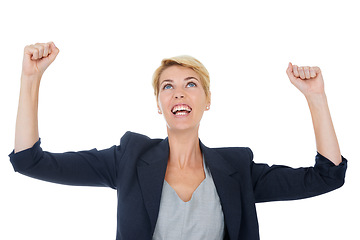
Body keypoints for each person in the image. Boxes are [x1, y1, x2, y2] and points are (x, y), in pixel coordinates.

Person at [9, 42, 347, 240]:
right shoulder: (129, 158)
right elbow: (29, 161)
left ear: (208, 100)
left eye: (191, 84)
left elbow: (326, 177)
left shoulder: (237, 168)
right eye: (167, 86)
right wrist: (30, 78)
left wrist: (315, 98)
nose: (179, 92)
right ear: (159, 103)